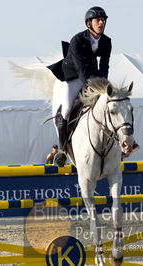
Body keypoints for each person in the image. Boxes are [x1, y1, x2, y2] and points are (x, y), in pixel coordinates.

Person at [47, 6, 112, 167]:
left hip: (92, 76)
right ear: (89, 23)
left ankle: (119, 144)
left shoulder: (106, 41)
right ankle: (62, 150)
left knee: (109, 103)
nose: (102, 22)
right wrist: (89, 85)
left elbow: (104, 65)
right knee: (68, 109)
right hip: (72, 77)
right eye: (98, 20)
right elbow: (80, 67)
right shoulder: (77, 40)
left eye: (103, 20)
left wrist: (102, 85)